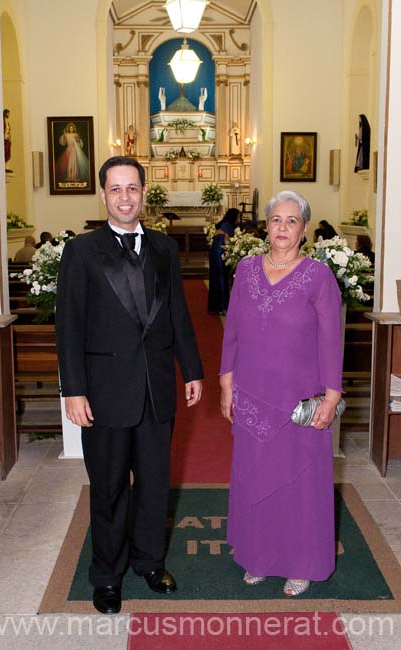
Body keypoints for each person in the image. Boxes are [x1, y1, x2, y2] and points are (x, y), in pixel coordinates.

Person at [55, 155, 203, 615]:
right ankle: (106, 576)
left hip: (156, 389)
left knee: (155, 484)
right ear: (102, 195)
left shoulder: (163, 248)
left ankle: (149, 562)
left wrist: (192, 368)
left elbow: (178, 312)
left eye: (132, 188)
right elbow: (70, 327)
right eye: (115, 189)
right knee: (110, 487)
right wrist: (73, 390)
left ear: (143, 192)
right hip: (104, 392)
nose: (125, 197)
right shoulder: (81, 251)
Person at [220, 190, 343, 597]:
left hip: (298, 399)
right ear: (266, 226)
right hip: (252, 394)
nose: (283, 228)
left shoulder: (319, 276)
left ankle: (299, 563)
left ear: (305, 229)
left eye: (292, 221)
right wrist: (226, 381)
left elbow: (330, 340)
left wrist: (330, 395)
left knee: (298, 484)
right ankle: (258, 556)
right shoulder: (245, 270)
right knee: (256, 477)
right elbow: (232, 329)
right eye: (276, 219)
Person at [208, 208, 240, 315]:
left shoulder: (224, 224)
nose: (239, 219)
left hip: (215, 253)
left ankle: (217, 306)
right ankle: (222, 306)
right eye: (238, 216)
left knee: (217, 279)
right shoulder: (228, 226)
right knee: (221, 279)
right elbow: (228, 242)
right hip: (220, 255)